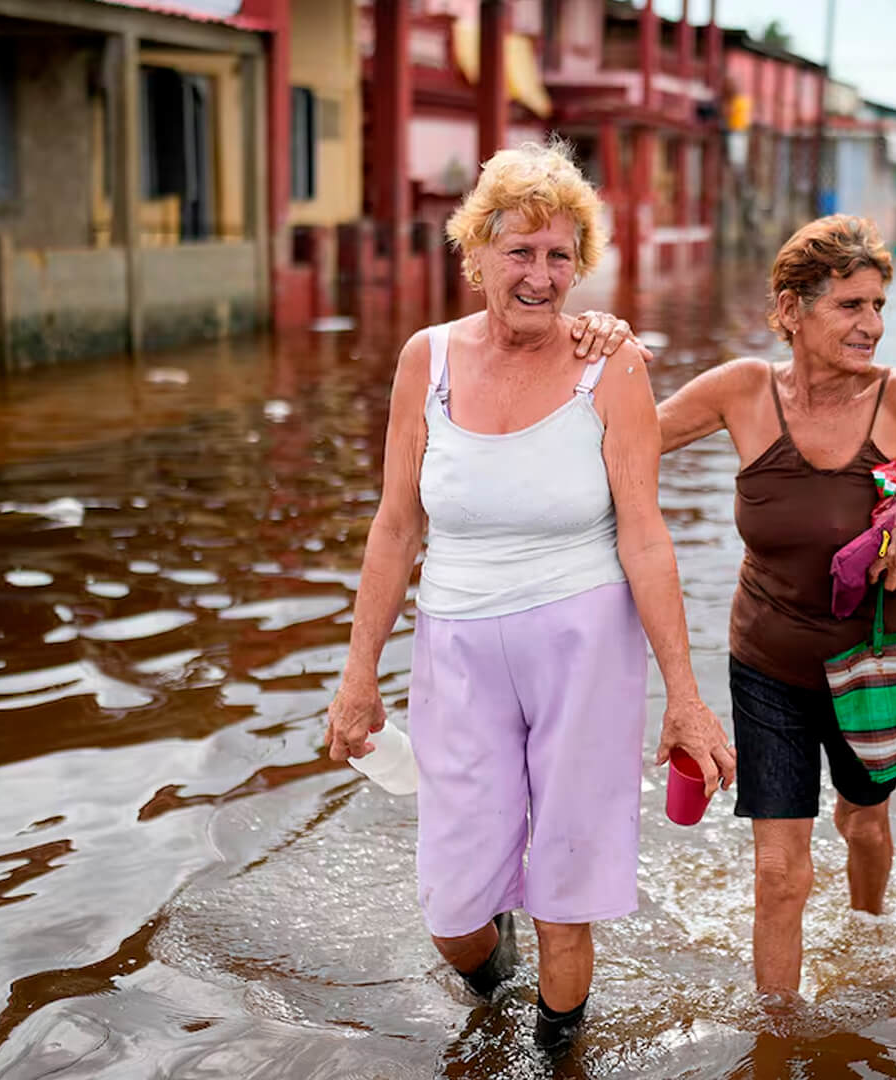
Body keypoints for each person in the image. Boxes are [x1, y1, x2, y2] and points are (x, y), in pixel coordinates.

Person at [323, 142, 736, 1056]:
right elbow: (396, 527)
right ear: (475, 255)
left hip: (585, 644)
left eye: (560, 256)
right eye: (520, 252)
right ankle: (492, 987)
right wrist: (359, 677)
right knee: (454, 899)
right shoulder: (424, 360)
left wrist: (688, 696)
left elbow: (644, 535)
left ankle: (557, 1054)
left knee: (567, 886)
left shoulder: (611, 365)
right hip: (457, 647)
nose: (541, 276)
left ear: (580, 266)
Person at [655, 215, 896, 1000]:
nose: (872, 325)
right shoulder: (741, 391)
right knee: (776, 871)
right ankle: (778, 1033)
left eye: (878, 306)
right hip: (766, 662)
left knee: (862, 821)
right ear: (792, 309)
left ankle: (869, 937)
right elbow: (630, 437)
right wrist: (595, 346)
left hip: (869, 663)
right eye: (850, 306)